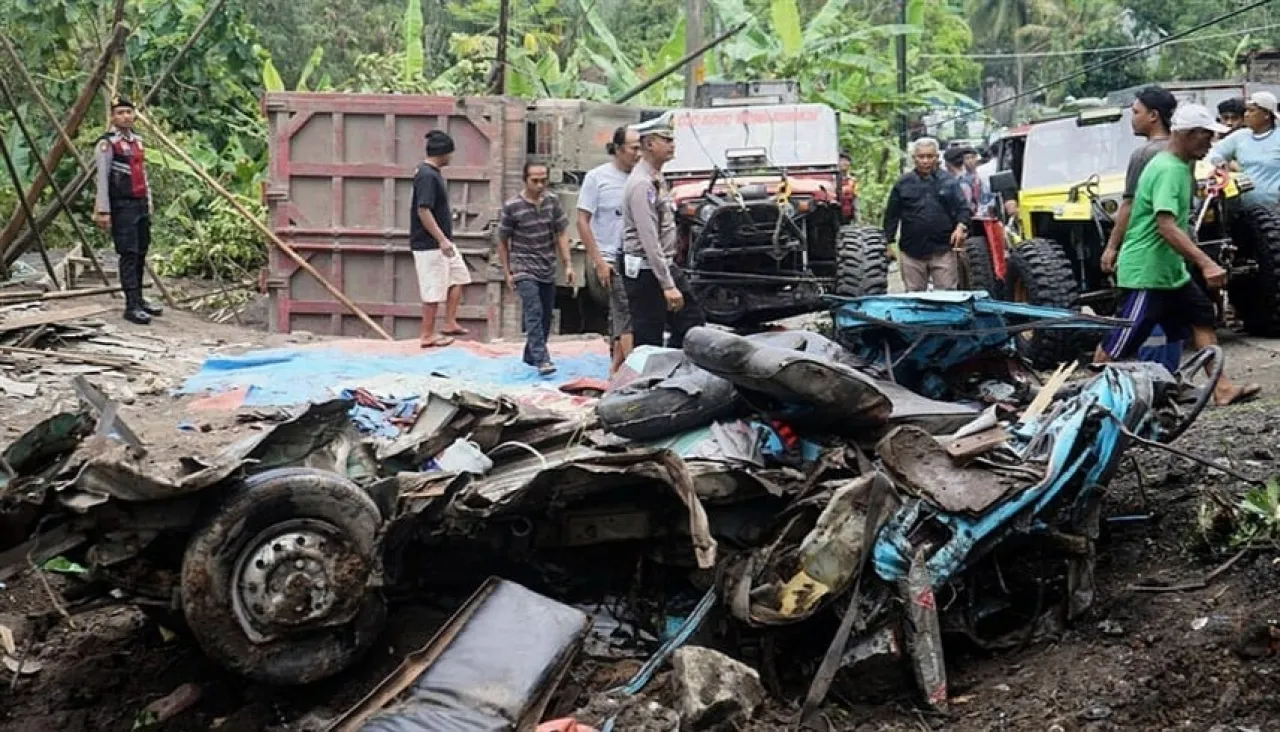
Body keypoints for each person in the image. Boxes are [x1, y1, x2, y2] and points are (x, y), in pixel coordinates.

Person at [1097, 104, 1260, 406]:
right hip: (1147, 271)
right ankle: (1093, 397)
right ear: (1187, 134)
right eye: (1206, 137)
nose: (1209, 144)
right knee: (1120, 340)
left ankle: (1219, 387)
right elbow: (1166, 226)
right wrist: (1206, 261)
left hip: (1170, 271)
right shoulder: (1169, 169)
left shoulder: (1180, 165)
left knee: (1201, 317)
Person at [622, 112, 705, 349]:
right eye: (666, 140)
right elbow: (649, 239)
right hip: (647, 271)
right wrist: (668, 285)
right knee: (649, 335)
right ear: (649, 144)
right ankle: (647, 381)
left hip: (662, 266)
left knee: (692, 322)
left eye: (672, 140)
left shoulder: (656, 176)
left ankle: (675, 370)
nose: (672, 145)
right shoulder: (642, 184)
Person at [498, 162, 575, 375]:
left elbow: (561, 232)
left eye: (544, 180)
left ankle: (530, 354)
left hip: (547, 265)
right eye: (535, 181)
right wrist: (508, 272)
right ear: (525, 180)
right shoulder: (513, 206)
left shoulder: (552, 202)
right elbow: (503, 240)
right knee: (534, 311)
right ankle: (542, 359)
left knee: (546, 316)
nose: (540, 185)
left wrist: (568, 264)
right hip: (523, 266)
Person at [578, 126, 641, 375]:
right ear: (618, 149)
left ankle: (615, 369)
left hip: (637, 259)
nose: (638, 153)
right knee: (627, 314)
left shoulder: (642, 178)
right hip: (610, 257)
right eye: (634, 148)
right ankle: (634, 372)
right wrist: (599, 261)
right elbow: (582, 221)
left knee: (619, 315)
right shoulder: (597, 178)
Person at [93, 96, 161, 325]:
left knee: (141, 251)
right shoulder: (107, 143)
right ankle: (130, 305)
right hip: (122, 205)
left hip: (139, 203)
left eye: (128, 112)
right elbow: (102, 178)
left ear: (134, 115)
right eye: (120, 112)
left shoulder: (138, 142)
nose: (125, 116)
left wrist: (149, 200)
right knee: (129, 254)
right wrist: (103, 210)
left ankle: (140, 299)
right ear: (113, 116)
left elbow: (143, 174)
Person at [1101, 86, 1179, 276]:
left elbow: (1129, 205)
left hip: (1150, 248)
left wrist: (1111, 247)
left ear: (1153, 115)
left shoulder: (1144, 155)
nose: (1132, 118)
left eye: (1136, 112)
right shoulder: (1180, 150)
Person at [883, 138, 970, 292]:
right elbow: (892, 215)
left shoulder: (949, 182)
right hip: (911, 251)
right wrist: (888, 243)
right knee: (914, 296)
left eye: (930, 156)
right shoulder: (903, 183)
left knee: (947, 294)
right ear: (914, 158)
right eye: (921, 157)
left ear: (937, 158)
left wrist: (960, 226)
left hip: (943, 249)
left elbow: (963, 209)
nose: (925, 161)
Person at [410, 130, 472, 348]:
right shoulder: (426, 175)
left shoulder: (431, 173)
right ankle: (427, 334)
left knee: (459, 277)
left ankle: (449, 322)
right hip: (430, 243)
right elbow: (423, 210)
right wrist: (440, 239)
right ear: (444, 153)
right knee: (433, 289)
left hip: (443, 240)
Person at [1209, 91, 1280, 208]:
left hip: (1275, 209)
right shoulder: (1240, 136)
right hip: (1244, 209)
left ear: (1267, 114)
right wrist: (1218, 162)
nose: (1246, 115)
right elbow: (1214, 151)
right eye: (1246, 111)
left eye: (1252, 111)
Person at [838, 151, 859, 222]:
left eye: (847, 161)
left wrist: (858, 220)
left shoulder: (852, 180)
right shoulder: (831, 179)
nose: (844, 163)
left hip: (847, 216)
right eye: (842, 160)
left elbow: (855, 201)